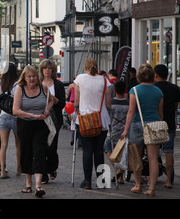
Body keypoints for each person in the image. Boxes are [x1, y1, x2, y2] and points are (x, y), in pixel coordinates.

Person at [121, 64, 164, 197]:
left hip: (137, 125)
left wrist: (125, 129)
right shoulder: (158, 91)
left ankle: (138, 184)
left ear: (139, 76)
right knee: (153, 159)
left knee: (137, 157)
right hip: (154, 124)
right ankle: (151, 188)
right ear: (152, 75)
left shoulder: (134, 90)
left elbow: (131, 111)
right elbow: (160, 113)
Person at [13, 65, 54, 197]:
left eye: (34, 76)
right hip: (25, 124)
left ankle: (38, 186)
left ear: (38, 77)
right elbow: (15, 110)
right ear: (24, 78)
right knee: (26, 152)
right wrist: (32, 115)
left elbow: (52, 100)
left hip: (41, 125)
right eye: (29, 76)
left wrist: (47, 109)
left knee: (39, 152)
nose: (32, 79)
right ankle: (28, 183)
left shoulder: (43, 88)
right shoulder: (20, 90)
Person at [74, 58, 112, 190]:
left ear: (85, 67)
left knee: (87, 151)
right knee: (99, 150)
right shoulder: (105, 80)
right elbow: (108, 103)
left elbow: (77, 101)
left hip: (85, 120)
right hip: (101, 120)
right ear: (97, 66)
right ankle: (101, 181)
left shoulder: (79, 78)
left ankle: (87, 182)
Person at [39, 59, 65, 183]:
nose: (47, 70)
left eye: (49, 68)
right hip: (40, 119)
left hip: (54, 120)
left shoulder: (58, 85)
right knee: (41, 146)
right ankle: (43, 174)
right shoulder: (38, 84)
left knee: (51, 147)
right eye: (45, 68)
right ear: (42, 70)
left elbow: (62, 104)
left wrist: (52, 98)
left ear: (53, 70)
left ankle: (52, 167)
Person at [154, 64, 180, 188]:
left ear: (156, 75)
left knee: (153, 152)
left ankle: (150, 179)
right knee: (168, 152)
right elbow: (176, 106)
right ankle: (169, 180)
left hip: (155, 124)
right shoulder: (175, 88)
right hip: (169, 123)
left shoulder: (153, 88)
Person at [0, 62, 21, 179]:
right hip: (16, 116)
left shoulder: (1, 86)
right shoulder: (18, 85)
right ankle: (18, 168)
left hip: (3, 117)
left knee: (3, 145)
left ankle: (2, 171)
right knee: (18, 145)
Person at [105, 80, 128, 184]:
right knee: (123, 155)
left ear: (114, 91)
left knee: (108, 150)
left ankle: (117, 170)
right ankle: (121, 176)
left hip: (112, 132)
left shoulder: (111, 103)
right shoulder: (128, 103)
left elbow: (108, 117)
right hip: (125, 132)